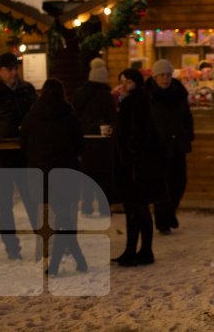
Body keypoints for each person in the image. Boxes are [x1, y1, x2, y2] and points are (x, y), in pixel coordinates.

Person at [0, 52, 38, 260]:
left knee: (33, 200)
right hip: (0, 156)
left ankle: (43, 239)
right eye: (9, 69)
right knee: (4, 203)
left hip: (24, 155)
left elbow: (36, 118)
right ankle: (11, 246)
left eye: (15, 68)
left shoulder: (26, 89)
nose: (14, 72)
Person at [20, 79, 86, 275]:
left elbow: (23, 144)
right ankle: (70, 261)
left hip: (39, 177)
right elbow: (80, 145)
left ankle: (54, 261)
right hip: (66, 177)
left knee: (50, 222)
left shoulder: (31, 117)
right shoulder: (70, 117)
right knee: (65, 220)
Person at [111, 68, 162, 266]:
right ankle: (133, 249)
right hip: (134, 164)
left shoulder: (137, 102)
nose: (124, 86)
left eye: (128, 82)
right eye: (122, 82)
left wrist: (128, 153)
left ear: (137, 83)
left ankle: (143, 250)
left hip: (137, 166)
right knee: (133, 208)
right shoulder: (129, 101)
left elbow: (139, 133)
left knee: (138, 208)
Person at [145, 59, 194, 235]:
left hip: (177, 144)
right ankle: (162, 220)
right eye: (161, 75)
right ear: (155, 77)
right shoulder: (147, 95)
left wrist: (188, 134)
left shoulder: (179, 93)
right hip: (158, 146)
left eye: (168, 75)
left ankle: (170, 211)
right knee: (162, 184)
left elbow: (186, 116)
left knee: (179, 182)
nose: (165, 79)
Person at [72, 58, 117, 217]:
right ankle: (105, 207)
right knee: (104, 174)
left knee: (87, 174)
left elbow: (74, 115)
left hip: (84, 139)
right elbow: (112, 117)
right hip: (102, 140)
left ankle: (86, 205)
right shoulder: (106, 96)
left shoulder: (79, 93)